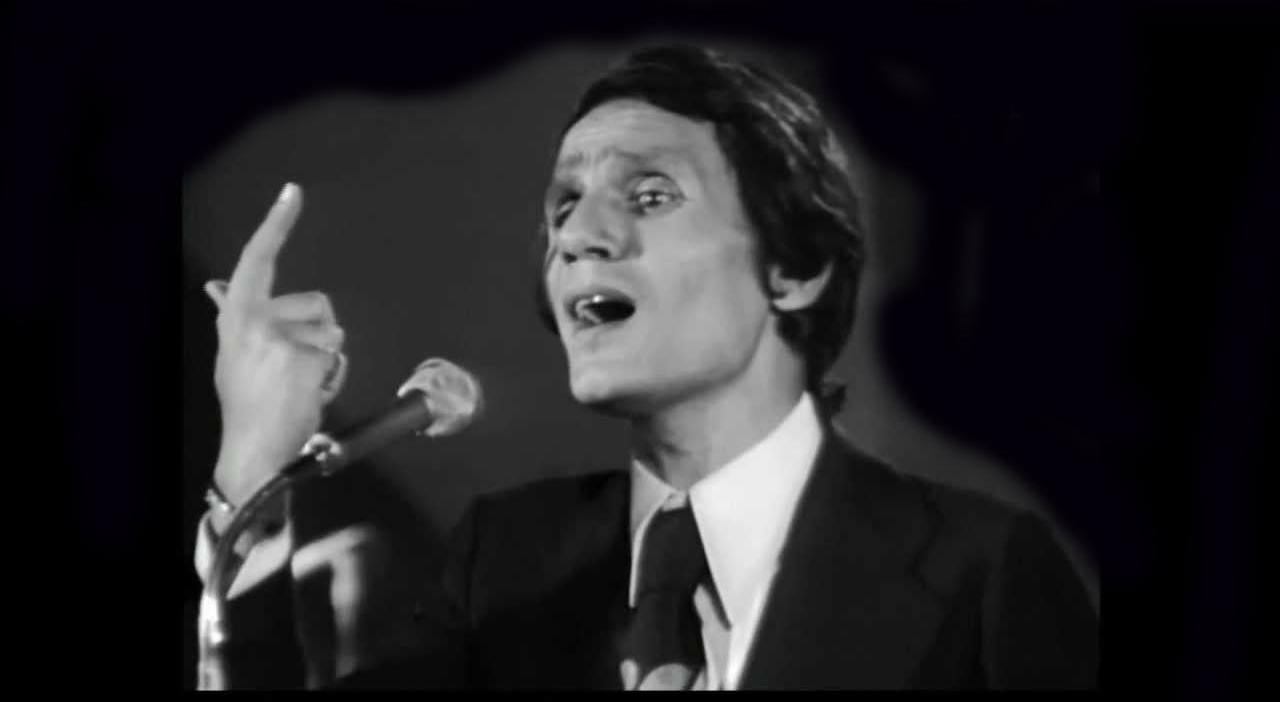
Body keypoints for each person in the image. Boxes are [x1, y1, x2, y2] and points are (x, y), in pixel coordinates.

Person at [193, 44, 1098, 689]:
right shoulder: (501, 561)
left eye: (651, 194)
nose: (577, 236)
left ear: (795, 267)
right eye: (564, 206)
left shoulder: (983, 571)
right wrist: (254, 465)